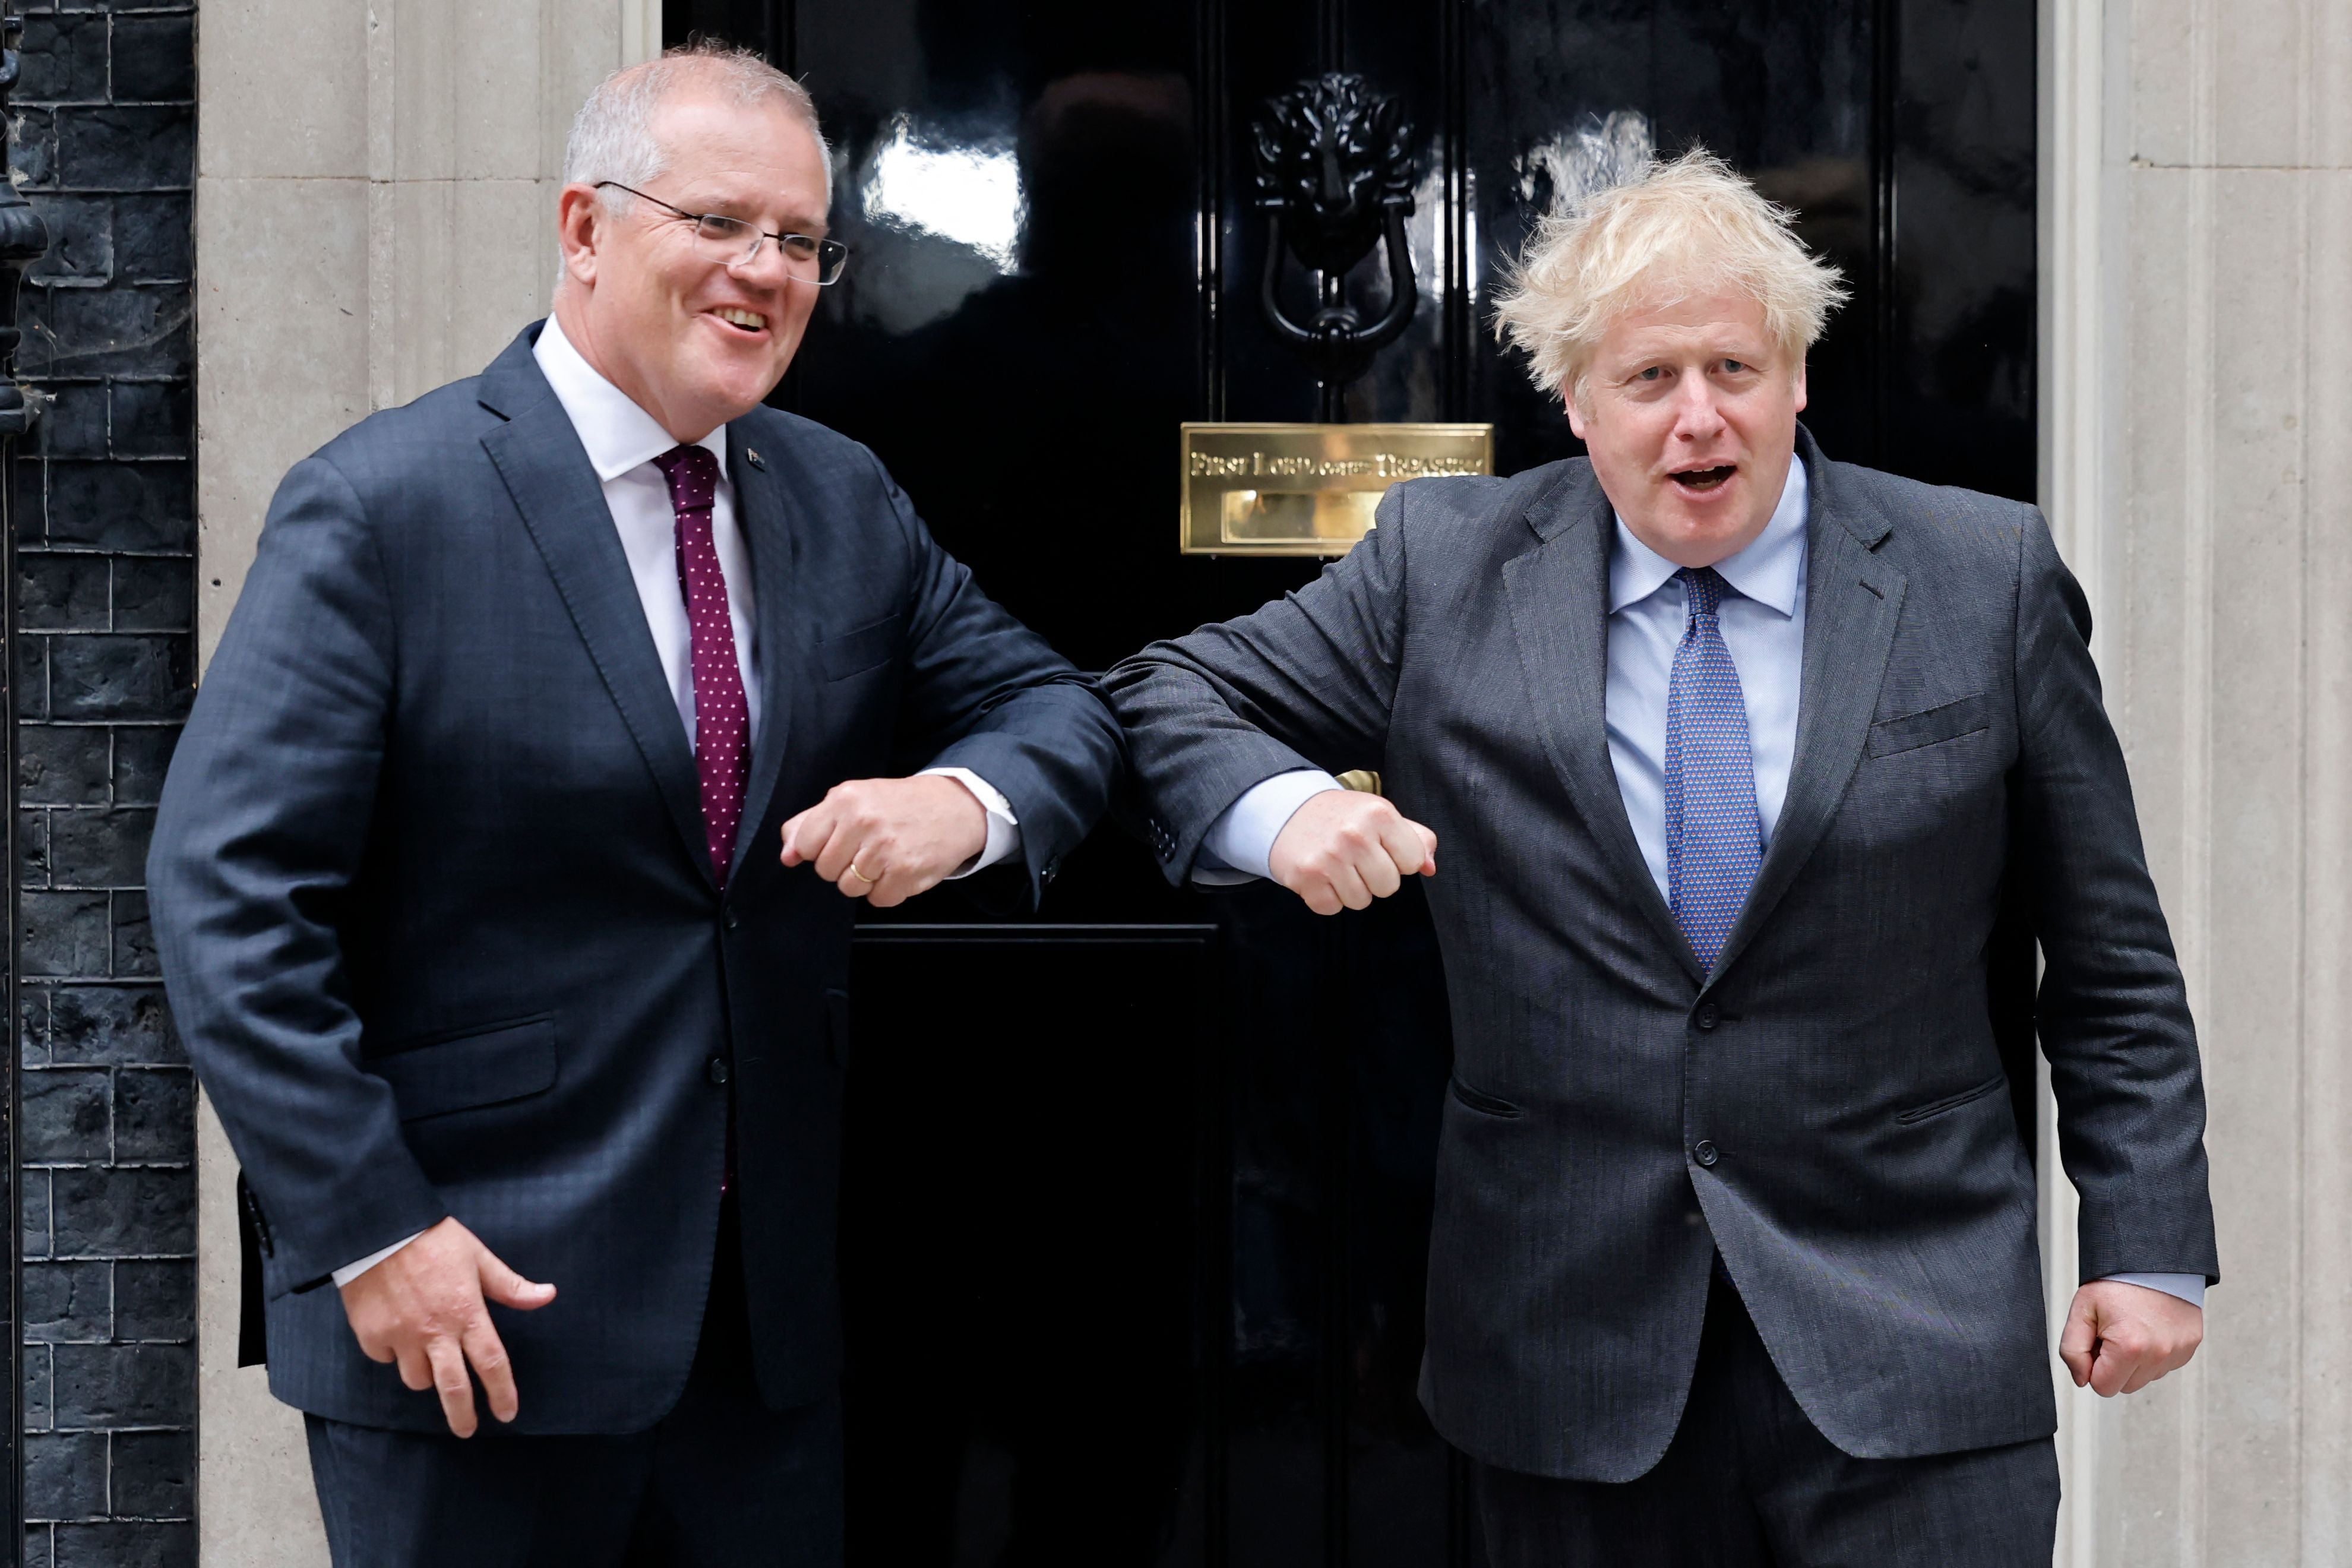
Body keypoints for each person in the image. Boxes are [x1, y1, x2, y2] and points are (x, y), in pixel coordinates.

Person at [1102, 150, 2215, 1564]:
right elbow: (1165, 696)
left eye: (1736, 370)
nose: (1702, 420)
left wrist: (2145, 1241)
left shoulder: (1979, 573)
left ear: (1799, 375)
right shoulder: (1443, 565)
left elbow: (2109, 955)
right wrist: (1285, 809)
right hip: (1570, 1353)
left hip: (1913, 1341)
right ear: (1573, 405)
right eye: (1650, 381)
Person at [147, 43, 1120, 1567]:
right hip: (473, 1319)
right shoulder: (383, 506)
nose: (767, 271)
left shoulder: (839, 497)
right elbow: (228, 898)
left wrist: (966, 799)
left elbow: (1057, 709)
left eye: (801, 240)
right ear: (586, 229)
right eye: (721, 222)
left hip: (762, 1340)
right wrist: (372, 1232)